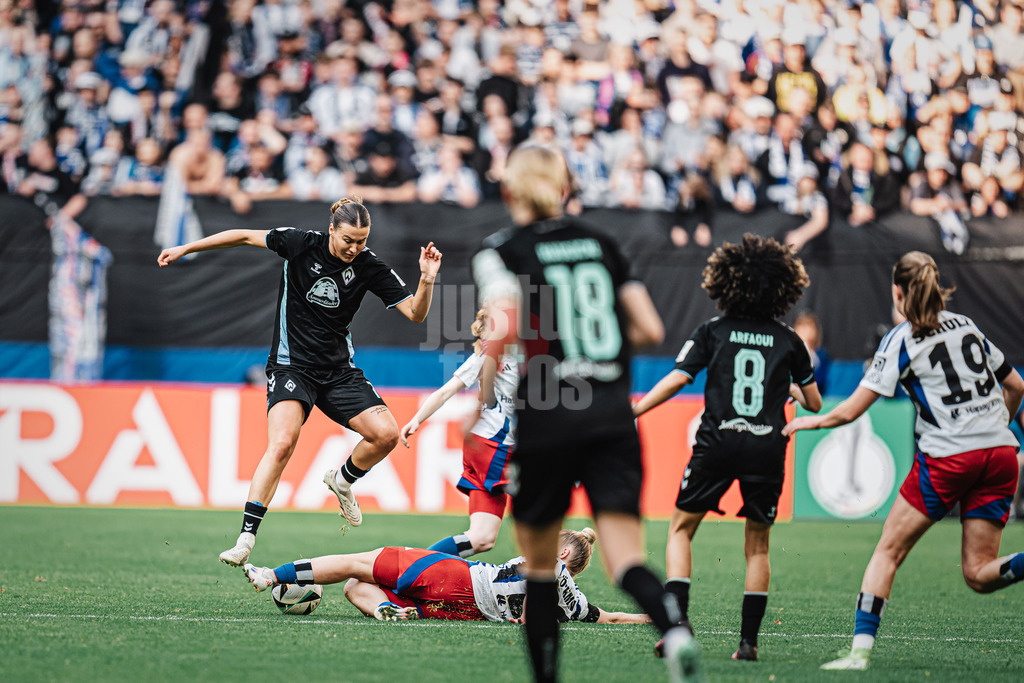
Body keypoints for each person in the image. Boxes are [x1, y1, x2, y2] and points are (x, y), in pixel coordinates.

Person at [472, 145, 702, 683]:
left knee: (537, 568)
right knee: (625, 560)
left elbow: (501, 326)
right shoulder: (602, 242)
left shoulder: (501, 250)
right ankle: (676, 631)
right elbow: (649, 329)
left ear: (509, 191)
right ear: (563, 186)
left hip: (548, 414)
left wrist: (481, 403)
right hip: (610, 415)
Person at [156, 197, 443, 567]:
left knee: (386, 435)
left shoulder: (370, 266)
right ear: (332, 230)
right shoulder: (300, 244)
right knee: (282, 443)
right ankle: (245, 538)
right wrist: (186, 247)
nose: (354, 248)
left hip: (339, 372)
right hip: (292, 367)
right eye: (348, 240)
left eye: (361, 240)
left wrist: (426, 279)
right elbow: (243, 236)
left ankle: (342, 480)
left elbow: (416, 314)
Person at [784, 251, 1024, 671]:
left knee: (888, 552)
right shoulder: (967, 325)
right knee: (979, 573)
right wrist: (997, 423)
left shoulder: (902, 339)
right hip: (1002, 454)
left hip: (951, 457)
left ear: (897, 291)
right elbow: (1016, 385)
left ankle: (859, 653)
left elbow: (852, 409)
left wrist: (812, 422)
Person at [632, 234, 822, 662]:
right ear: (781, 288)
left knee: (681, 530)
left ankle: (678, 628)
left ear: (727, 283)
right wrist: (785, 383)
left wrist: (638, 409)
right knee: (757, 545)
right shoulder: (790, 340)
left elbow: (679, 378)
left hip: (716, 444)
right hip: (766, 449)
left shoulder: (712, 331)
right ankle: (748, 643)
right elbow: (814, 403)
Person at [242, 528, 649, 625]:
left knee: (354, 562)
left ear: (561, 552)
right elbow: (607, 617)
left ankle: (270, 576)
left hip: (459, 578)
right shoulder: (571, 601)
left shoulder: (548, 562)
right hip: (460, 611)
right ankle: (389, 608)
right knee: (353, 587)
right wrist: (648, 617)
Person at [399, 307, 518, 558]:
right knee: (545, 511)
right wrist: (417, 419)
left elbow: (446, 391)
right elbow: (445, 392)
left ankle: (411, 569)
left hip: (486, 447)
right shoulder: (493, 356)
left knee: (481, 538)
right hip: (496, 449)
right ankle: (548, 585)